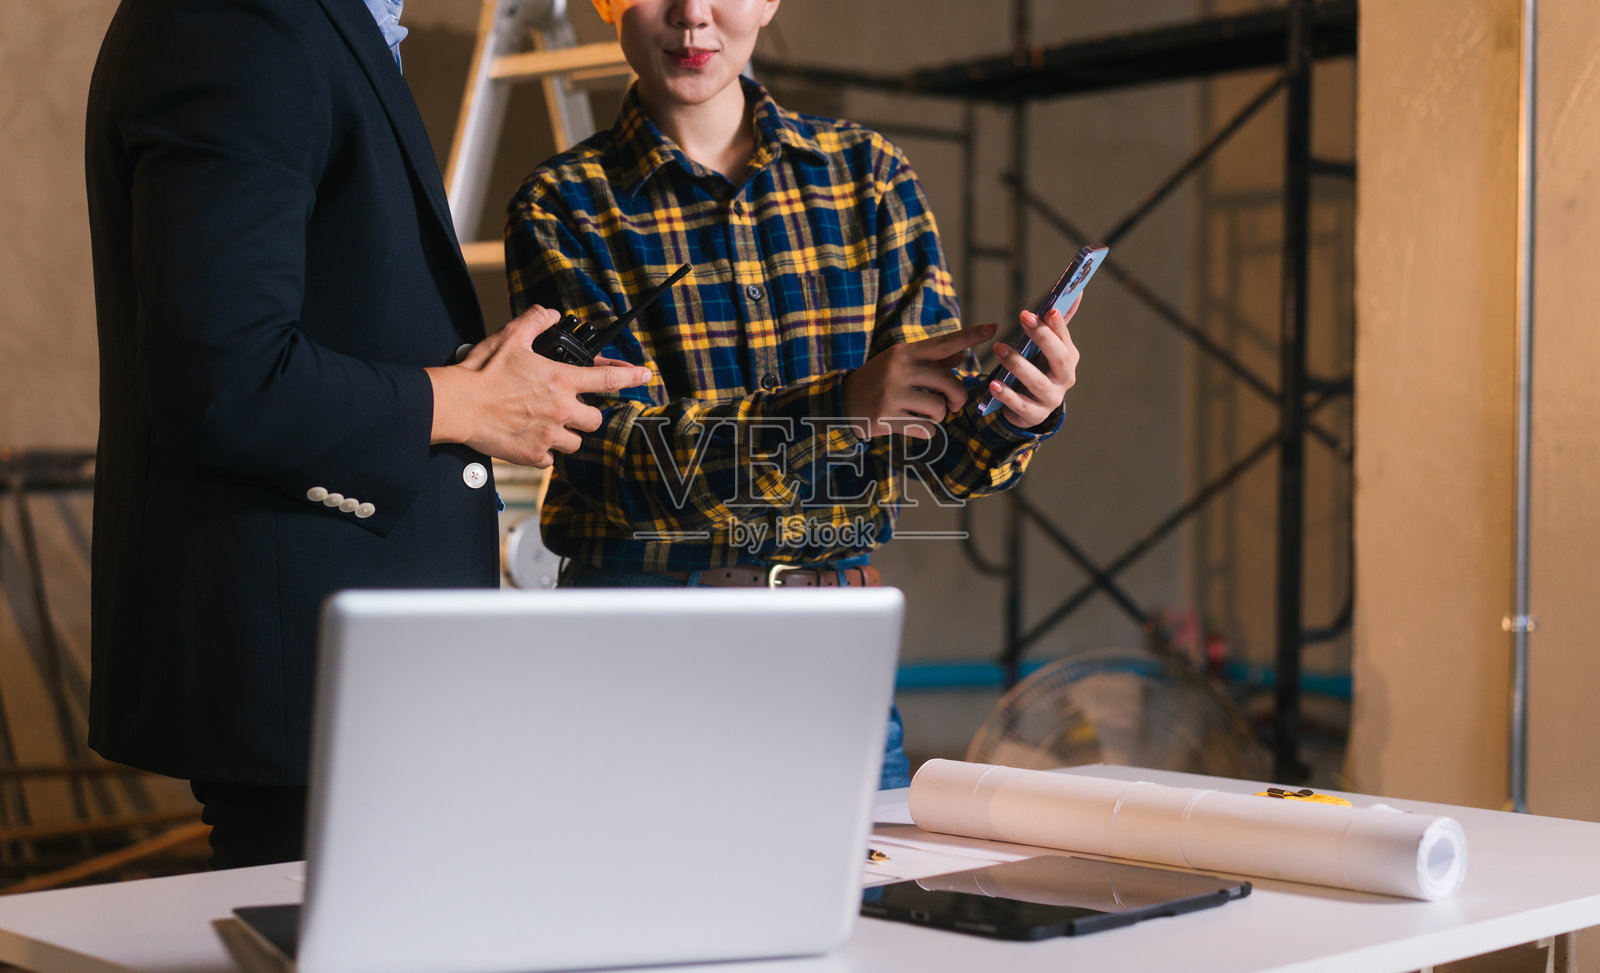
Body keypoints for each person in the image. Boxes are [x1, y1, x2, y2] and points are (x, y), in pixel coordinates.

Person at [84, 0, 649, 869]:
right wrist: (467, 404)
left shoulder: (313, 21)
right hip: (303, 664)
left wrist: (469, 375)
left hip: (358, 665)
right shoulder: (238, 20)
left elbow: (333, 312)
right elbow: (222, 378)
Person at [504, 0, 1081, 788]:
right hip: (633, 654)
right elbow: (613, 457)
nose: (691, 16)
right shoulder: (564, 206)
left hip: (830, 665)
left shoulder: (868, 178)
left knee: (854, 911)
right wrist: (837, 408)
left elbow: (943, 454)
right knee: (642, 910)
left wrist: (1020, 410)